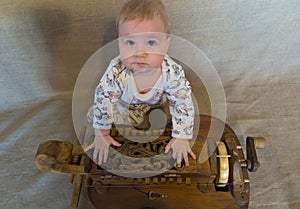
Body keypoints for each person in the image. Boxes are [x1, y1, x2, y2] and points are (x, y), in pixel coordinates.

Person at [85, 0, 196, 168]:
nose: (139, 53)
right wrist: (102, 134)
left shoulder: (171, 72)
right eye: (130, 43)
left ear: (166, 45)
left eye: (151, 43)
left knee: (171, 117)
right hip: (123, 111)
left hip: (156, 111)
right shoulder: (117, 71)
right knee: (97, 114)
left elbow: (182, 101)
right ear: (119, 44)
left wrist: (181, 136)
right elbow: (104, 98)